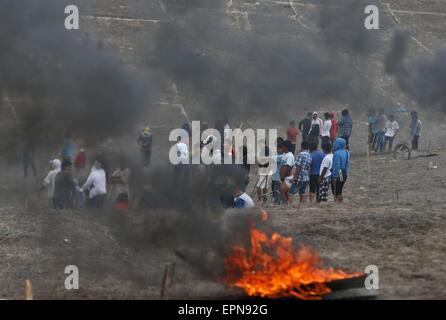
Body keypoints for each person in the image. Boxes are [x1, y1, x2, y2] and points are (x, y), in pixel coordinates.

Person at [332, 138, 350, 203]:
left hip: (339, 172)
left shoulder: (337, 153)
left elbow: (337, 166)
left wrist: (335, 176)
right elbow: (347, 164)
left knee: (336, 189)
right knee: (340, 188)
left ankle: (337, 202)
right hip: (345, 172)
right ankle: (340, 201)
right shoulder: (347, 152)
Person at [279, 141, 296, 205]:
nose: (281, 148)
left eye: (282, 146)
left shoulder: (289, 155)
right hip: (284, 178)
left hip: (286, 178)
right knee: (284, 195)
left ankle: (286, 207)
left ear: (284, 147)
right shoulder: (286, 155)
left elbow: (289, 167)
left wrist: (283, 177)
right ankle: (286, 207)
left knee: (284, 195)